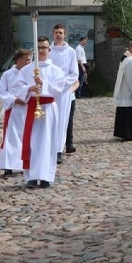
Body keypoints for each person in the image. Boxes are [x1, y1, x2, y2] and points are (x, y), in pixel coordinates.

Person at [13, 36, 67, 189]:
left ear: (49, 50)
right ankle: (31, 176)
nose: (42, 50)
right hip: (32, 108)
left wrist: (44, 84)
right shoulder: (26, 70)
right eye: (39, 48)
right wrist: (29, 89)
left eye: (44, 47)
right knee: (32, 142)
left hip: (48, 108)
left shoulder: (55, 70)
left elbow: (59, 88)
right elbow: (17, 86)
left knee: (47, 142)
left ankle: (45, 176)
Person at [0, 49, 33, 176]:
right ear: (19, 60)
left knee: (27, 137)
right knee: (11, 138)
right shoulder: (8, 75)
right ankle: (8, 166)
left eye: (30, 59)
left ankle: (24, 164)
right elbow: (2, 92)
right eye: (27, 59)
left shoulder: (31, 74)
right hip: (13, 110)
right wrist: (14, 100)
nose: (29, 62)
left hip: (28, 109)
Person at [49, 24, 79, 164]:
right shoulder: (48, 50)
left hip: (64, 92)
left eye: (61, 33)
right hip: (49, 90)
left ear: (65, 34)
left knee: (62, 121)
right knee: (49, 120)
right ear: (53, 34)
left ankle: (58, 150)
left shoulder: (71, 52)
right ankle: (47, 148)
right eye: (56, 32)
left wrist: (61, 86)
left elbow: (74, 73)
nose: (58, 35)